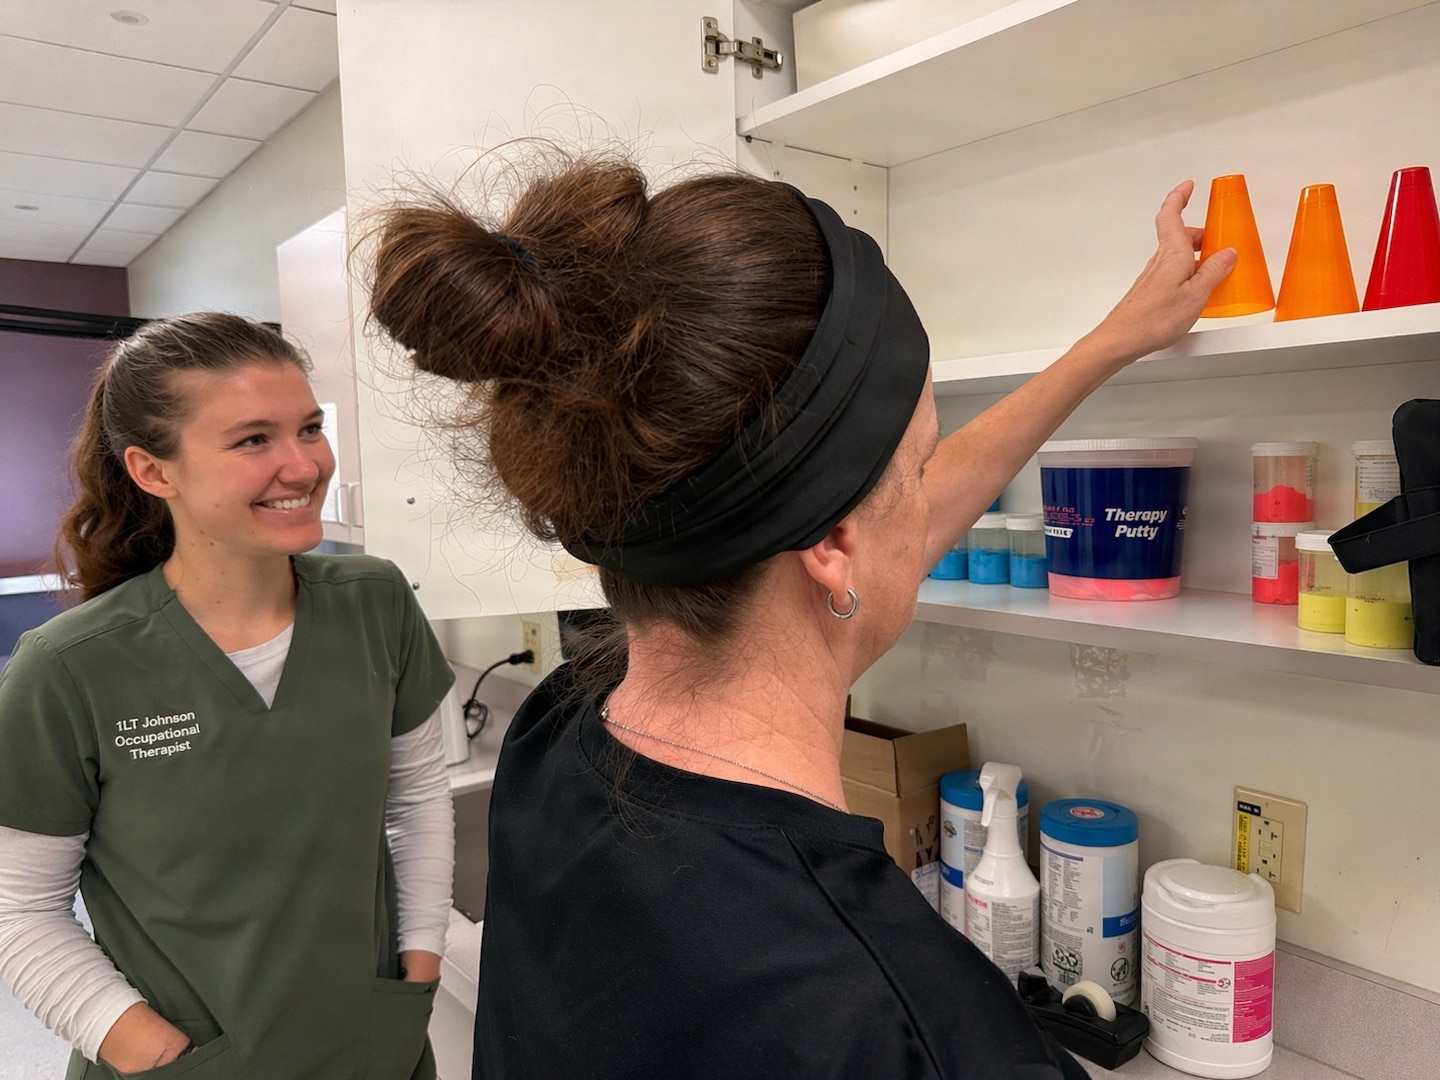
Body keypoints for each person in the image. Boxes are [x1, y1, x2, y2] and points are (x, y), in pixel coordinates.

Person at [366, 156, 1234, 1078]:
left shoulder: (558, 737)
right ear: (830, 542)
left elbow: (877, 526)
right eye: (913, 467)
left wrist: (1109, 343)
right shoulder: (908, 1031)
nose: (924, 498)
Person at [0, 313, 457, 1079]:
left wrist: (420, 963)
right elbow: (20, 911)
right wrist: (150, 1049)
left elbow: (415, 799)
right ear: (153, 471)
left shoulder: (374, 601)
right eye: (254, 440)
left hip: (378, 1047)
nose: (304, 465)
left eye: (309, 429)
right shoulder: (69, 668)